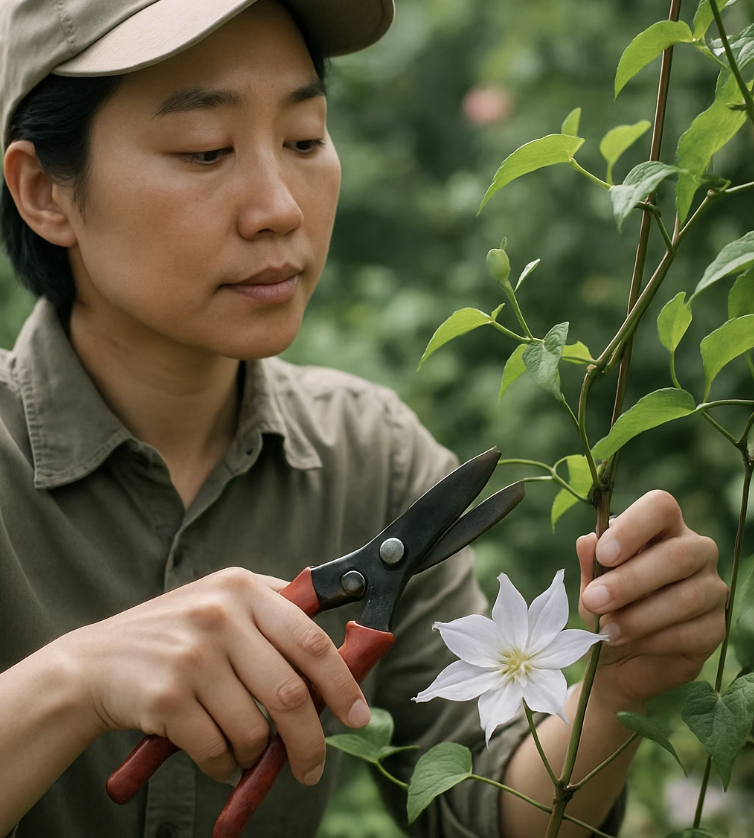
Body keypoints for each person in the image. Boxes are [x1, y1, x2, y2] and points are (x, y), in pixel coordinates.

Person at [0, 1, 727, 836]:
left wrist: (619, 685)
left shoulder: (373, 457)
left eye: (305, 139)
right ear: (44, 191)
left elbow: (469, 811)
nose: (279, 207)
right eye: (205, 150)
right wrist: (73, 682)